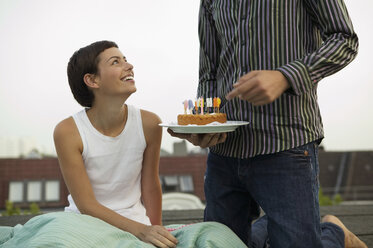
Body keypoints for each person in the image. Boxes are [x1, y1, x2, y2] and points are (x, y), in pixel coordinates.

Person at [168, 1, 366, 247]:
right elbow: (209, 70)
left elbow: (345, 39)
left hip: (286, 142)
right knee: (220, 243)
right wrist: (206, 124)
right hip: (225, 150)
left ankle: (334, 231)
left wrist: (286, 76)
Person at [54, 40, 178, 248]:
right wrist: (142, 231)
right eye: (115, 62)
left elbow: (150, 185)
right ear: (92, 80)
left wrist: (156, 230)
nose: (129, 66)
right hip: (83, 225)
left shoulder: (149, 123)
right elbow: (86, 204)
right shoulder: (67, 131)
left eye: (126, 60)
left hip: (137, 224)